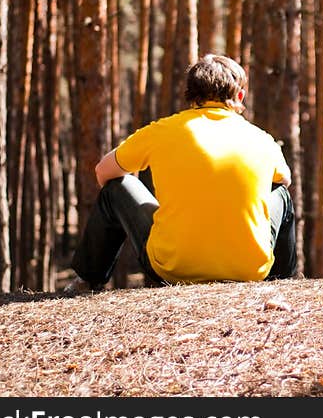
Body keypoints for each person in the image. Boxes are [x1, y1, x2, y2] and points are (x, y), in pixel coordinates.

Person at [66, 54, 296, 292]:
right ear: (239, 96)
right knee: (280, 193)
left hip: (172, 267)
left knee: (117, 187)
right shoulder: (261, 138)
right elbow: (284, 182)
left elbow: (103, 171)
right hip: (249, 270)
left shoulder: (160, 131)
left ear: (190, 92)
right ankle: (280, 283)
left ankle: (87, 281)